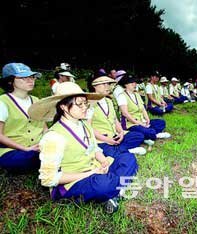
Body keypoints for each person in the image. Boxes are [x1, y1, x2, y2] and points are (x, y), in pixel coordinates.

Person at [28, 82, 138, 213]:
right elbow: (48, 179)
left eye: (85, 103)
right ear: (63, 106)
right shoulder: (53, 137)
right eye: (79, 104)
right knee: (103, 184)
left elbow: (94, 148)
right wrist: (90, 173)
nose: (85, 107)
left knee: (128, 158)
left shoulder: (85, 125)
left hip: (94, 168)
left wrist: (103, 161)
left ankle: (114, 191)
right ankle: (115, 188)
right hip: (72, 182)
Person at [0, 63, 46, 171]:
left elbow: (44, 128)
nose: (30, 80)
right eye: (24, 78)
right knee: (23, 160)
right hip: (12, 149)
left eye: (32, 77)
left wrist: (46, 143)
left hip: (38, 147)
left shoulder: (36, 100)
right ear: (10, 81)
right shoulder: (3, 102)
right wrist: (26, 148)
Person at [87, 75, 146, 155]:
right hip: (101, 139)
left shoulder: (109, 100)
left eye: (108, 84)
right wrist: (107, 139)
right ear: (94, 86)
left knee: (138, 136)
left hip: (115, 135)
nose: (107, 87)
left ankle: (118, 150)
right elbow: (88, 127)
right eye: (103, 84)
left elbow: (115, 120)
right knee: (103, 149)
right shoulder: (88, 104)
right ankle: (123, 151)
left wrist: (121, 133)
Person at [117, 75, 171, 142]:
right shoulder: (122, 96)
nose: (135, 84)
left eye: (135, 82)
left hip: (142, 121)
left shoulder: (136, 94)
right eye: (132, 83)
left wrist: (147, 119)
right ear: (125, 85)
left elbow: (143, 108)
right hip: (130, 124)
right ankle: (154, 135)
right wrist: (139, 123)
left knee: (161, 122)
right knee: (149, 131)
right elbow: (125, 114)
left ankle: (148, 134)